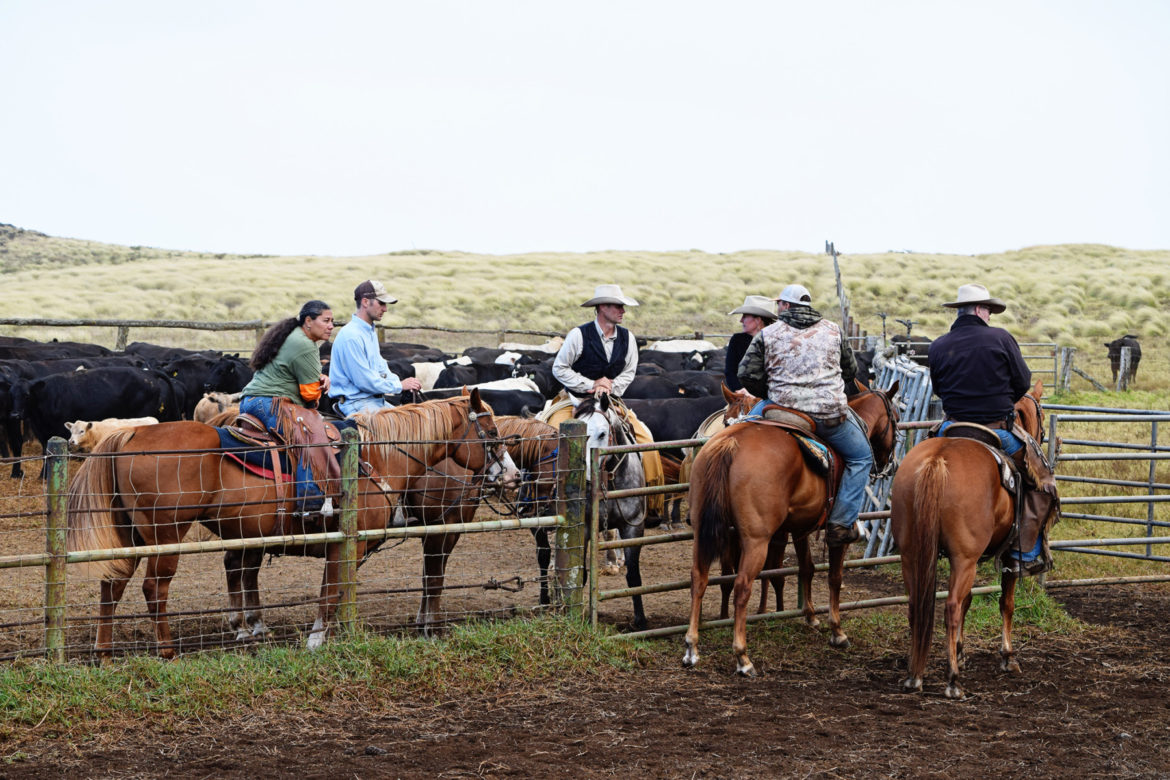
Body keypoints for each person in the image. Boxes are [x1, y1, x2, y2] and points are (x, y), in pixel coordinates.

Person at [927, 283, 1058, 576]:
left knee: (919, 461)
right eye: (988, 309)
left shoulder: (937, 345)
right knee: (1042, 481)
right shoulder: (1000, 338)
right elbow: (1023, 382)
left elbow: (938, 388)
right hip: (996, 430)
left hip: (952, 427)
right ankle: (1025, 552)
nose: (990, 315)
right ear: (978, 309)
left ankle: (909, 532)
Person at [737, 283, 870, 548]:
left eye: (779, 304)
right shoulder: (834, 331)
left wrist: (771, 391)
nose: (777, 308)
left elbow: (746, 374)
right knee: (862, 457)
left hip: (781, 411)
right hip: (827, 416)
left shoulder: (769, 333)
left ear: (786, 305)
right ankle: (841, 523)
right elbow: (850, 369)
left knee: (737, 432)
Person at [239, 300, 336, 518]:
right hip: (270, 402)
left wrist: (318, 379)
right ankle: (309, 503)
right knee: (308, 436)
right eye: (326, 320)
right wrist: (319, 388)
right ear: (309, 321)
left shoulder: (293, 335)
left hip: (253, 400)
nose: (331, 326)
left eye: (332, 322)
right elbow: (309, 394)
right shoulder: (305, 344)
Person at [328, 279, 422, 416]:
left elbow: (381, 368)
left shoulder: (368, 332)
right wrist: (399, 386)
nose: (385, 309)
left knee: (413, 420)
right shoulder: (351, 336)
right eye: (381, 303)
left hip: (373, 402)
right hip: (356, 404)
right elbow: (364, 381)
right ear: (365, 302)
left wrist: (402, 383)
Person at [552, 284, 639, 401]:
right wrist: (591, 384)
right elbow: (559, 368)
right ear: (603, 307)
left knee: (634, 420)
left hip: (611, 401)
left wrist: (609, 387)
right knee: (554, 420)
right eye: (618, 306)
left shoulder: (628, 337)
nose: (623, 311)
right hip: (575, 400)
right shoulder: (578, 335)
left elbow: (629, 372)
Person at [724, 295, 778, 394]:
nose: (741, 320)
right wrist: (740, 390)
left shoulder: (776, 341)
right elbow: (730, 372)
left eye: (745, 316)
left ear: (758, 320)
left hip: (769, 397)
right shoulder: (737, 340)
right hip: (742, 396)